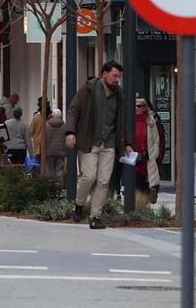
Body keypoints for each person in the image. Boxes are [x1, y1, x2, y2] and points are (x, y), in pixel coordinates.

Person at [65, 61, 124, 227]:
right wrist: (70, 132)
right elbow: (73, 110)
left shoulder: (119, 94)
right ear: (104, 74)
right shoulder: (88, 89)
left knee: (104, 181)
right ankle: (79, 205)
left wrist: (126, 143)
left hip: (109, 143)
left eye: (118, 77)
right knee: (89, 176)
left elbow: (122, 120)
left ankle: (95, 217)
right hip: (90, 141)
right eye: (114, 76)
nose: (116, 79)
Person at [130, 95, 162, 209]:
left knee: (147, 180)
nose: (140, 108)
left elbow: (156, 139)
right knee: (136, 180)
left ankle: (144, 205)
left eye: (143, 106)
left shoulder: (150, 121)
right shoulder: (129, 121)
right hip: (133, 156)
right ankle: (138, 205)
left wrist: (154, 153)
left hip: (147, 157)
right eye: (138, 106)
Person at [3, 99, 31, 174]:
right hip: (21, 149)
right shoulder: (24, 125)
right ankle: (19, 180)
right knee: (20, 167)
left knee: (10, 167)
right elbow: (28, 140)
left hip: (9, 148)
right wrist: (31, 154)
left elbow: (3, 136)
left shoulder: (6, 123)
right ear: (21, 114)